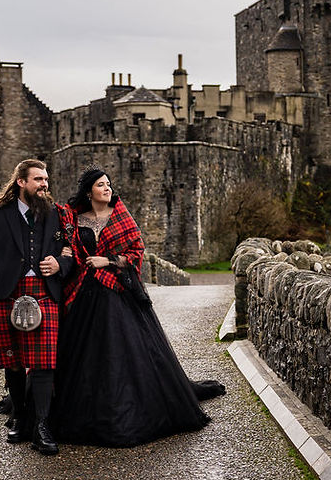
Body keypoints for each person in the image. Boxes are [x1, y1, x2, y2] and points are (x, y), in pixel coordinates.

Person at [52, 168, 224, 447]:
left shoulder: (120, 215)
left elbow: (135, 253)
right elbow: (65, 245)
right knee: (84, 357)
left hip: (118, 293)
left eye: (108, 184)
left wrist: (106, 260)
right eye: (100, 185)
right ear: (88, 191)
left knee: (126, 353)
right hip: (85, 295)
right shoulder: (73, 219)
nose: (107, 189)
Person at [0, 159, 75, 456]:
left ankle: (40, 426)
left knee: (43, 363)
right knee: (13, 360)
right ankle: (19, 416)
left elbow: (71, 252)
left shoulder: (56, 214)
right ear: (21, 182)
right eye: (38, 179)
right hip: (9, 294)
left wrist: (60, 263)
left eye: (46, 179)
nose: (44, 184)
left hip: (44, 292)